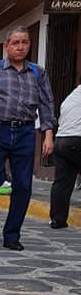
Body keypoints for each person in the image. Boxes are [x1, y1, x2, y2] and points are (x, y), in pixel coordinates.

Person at [0, 25, 55, 251]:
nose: (20, 47)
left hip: (25, 133)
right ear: (6, 46)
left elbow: (46, 104)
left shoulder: (38, 73)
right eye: (15, 43)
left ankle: (12, 235)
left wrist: (48, 134)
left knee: (24, 186)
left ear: (29, 44)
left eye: (24, 42)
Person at [50, 82, 81, 228]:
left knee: (62, 182)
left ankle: (57, 219)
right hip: (77, 139)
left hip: (61, 140)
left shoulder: (71, 97)